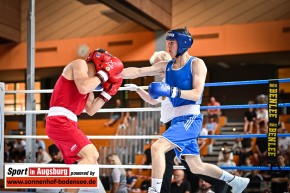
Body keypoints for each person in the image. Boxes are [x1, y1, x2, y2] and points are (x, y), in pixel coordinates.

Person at [121, 27, 249, 193]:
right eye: (167, 43)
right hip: (176, 121)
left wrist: (172, 91)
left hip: (190, 119)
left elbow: (197, 93)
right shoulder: (166, 66)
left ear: (182, 43)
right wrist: (112, 73)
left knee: (157, 148)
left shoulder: (196, 64)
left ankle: (155, 191)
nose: (168, 47)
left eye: (172, 43)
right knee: (196, 166)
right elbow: (138, 71)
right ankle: (235, 181)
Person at [125, 51, 228, 193]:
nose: (156, 68)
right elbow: (152, 100)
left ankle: (219, 182)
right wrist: (137, 89)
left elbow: (192, 94)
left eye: (156, 64)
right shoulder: (164, 82)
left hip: (184, 123)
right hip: (173, 125)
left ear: (164, 61)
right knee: (188, 163)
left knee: (174, 159)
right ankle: (222, 182)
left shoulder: (175, 79)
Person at [46, 48, 123, 193]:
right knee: (92, 154)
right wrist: (105, 74)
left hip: (69, 123)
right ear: (101, 62)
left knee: (90, 164)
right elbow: (83, 87)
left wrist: (107, 93)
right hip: (60, 120)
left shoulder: (89, 87)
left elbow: (91, 110)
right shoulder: (79, 64)